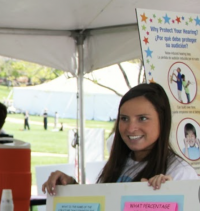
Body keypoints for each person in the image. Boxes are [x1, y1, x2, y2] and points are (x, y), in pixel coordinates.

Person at [42, 83, 198, 195]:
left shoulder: (180, 174)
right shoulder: (120, 161)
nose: (130, 128)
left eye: (142, 118)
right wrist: (69, 185)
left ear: (162, 122)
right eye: (124, 118)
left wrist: (168, 196)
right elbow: (103, 210)